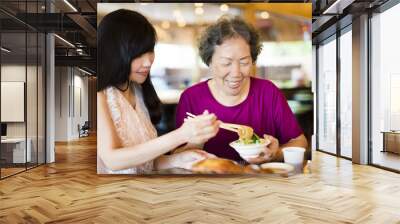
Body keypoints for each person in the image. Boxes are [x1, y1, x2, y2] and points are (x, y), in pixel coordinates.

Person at [97, 9, 220, 174]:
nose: (148, 61)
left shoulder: (138, 90)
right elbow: (112, 160)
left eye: (150, 50)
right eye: (138, 54)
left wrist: (178, 159)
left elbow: (143, 164)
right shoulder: (100, 95)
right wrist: (182, 134)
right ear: (115, 53)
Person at [175, 16, 308, 164]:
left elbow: (299, 141)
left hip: (262, 183)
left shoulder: (268, 92)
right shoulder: (192, 97)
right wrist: (196, 143)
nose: (236, 73)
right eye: (226, 63)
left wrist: (275, 153)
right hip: (210, 183)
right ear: (210, 62)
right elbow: (175, 156)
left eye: (244, 62)